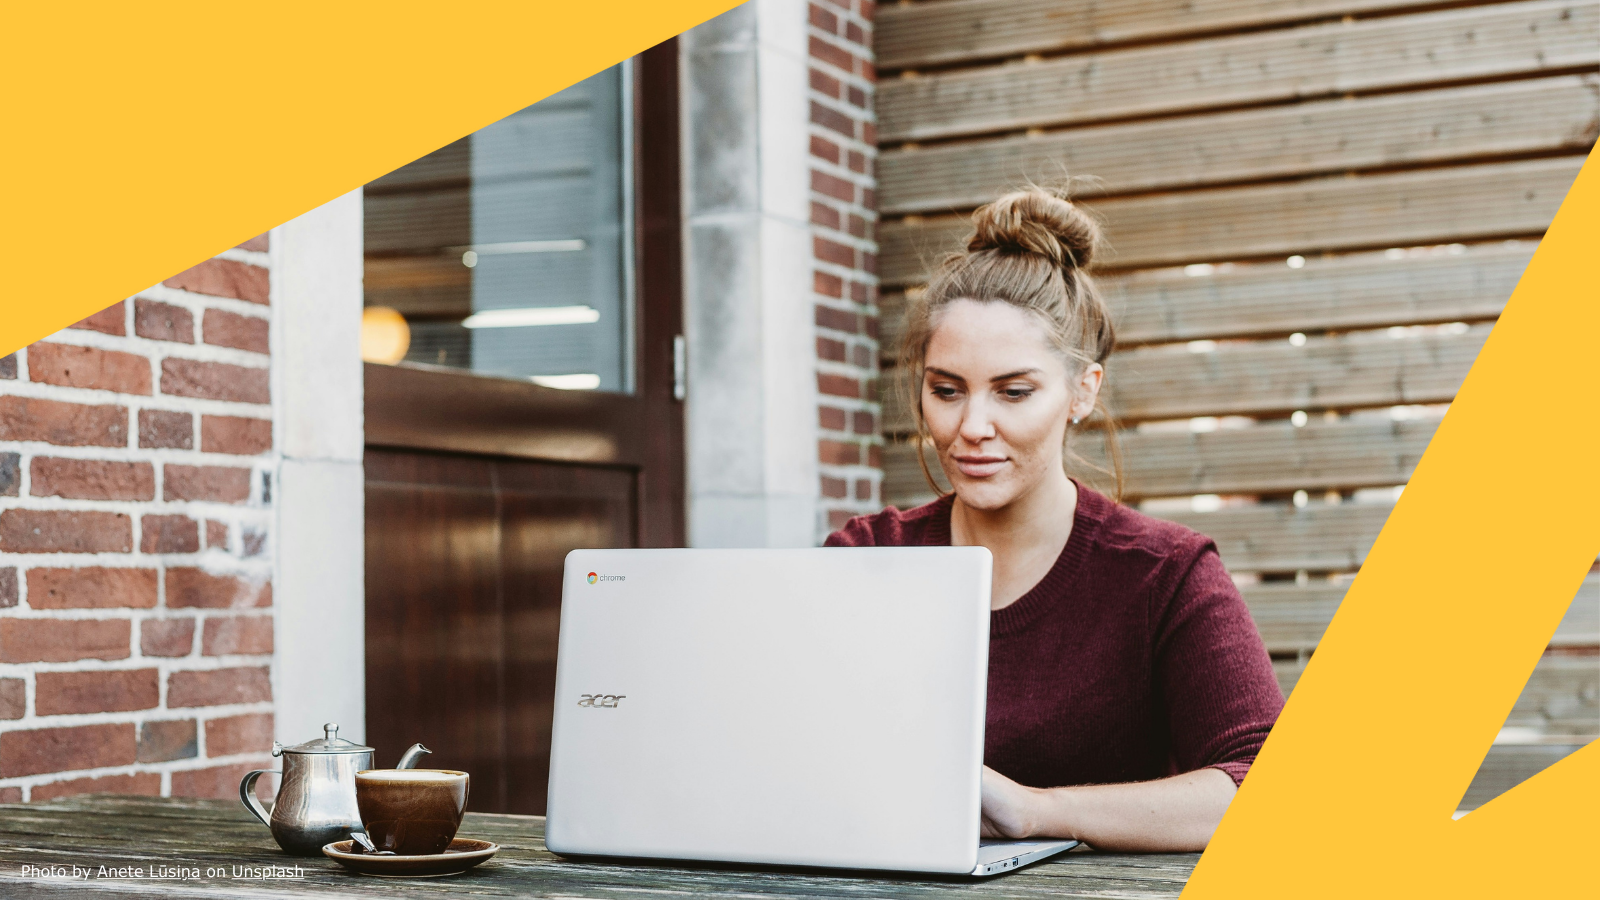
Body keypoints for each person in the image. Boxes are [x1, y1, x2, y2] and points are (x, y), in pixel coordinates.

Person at [825, 188, 1283, 852]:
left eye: (1014, 392)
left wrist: (1038, 811)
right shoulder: (866, 557)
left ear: (1082, 392)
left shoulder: (1165, 574)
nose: (972, 428)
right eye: (946, 391)